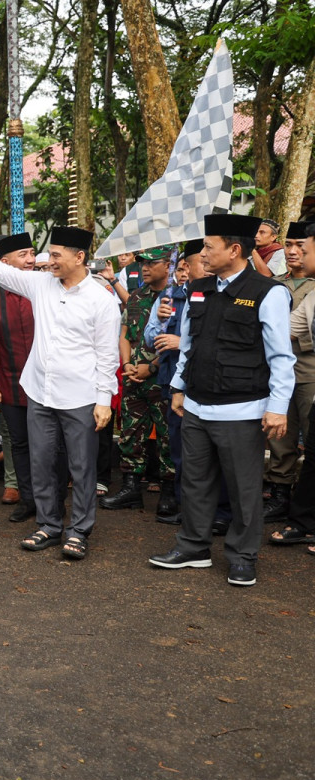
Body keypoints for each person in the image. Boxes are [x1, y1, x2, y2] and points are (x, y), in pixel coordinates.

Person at [0, 219, 120, 560]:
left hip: (80, 398)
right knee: (40, 462)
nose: (48, 261)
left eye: (55, 255)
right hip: (39, 392)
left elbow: (106, 356)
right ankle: (50, 525)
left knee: (81, 467)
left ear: (79, 257)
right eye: (48, 255)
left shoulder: (102, 300)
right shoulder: (41, 285)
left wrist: (103, 401)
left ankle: (79, 530)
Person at [149, 214, 295, 587]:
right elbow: (189, 345)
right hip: (196, 405)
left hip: (242, 408)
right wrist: (179, 388)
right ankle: (193, 547)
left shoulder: (269, 292)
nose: (202, 253)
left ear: (234, 250)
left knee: (244, 488)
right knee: (195, 482)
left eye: (208, 246)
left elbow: (281, 356)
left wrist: (277, 407)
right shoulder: (198, 288)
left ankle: (243, 556)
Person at [100, 247, 176, 517]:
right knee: (131, 434)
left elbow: (179, 340)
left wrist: (150, 367)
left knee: (167, 436)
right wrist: (128, 364)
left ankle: (169, 492)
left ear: (168, 265)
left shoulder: (177, 296)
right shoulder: (137, 297)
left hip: (162, 380)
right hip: (134, 377)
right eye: (141, 263)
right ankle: (131, 489)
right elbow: (124, 334)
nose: (144, 268)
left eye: (151, 263)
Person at [0, 232, 38, 523]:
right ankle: (27, 500)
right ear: (4, 262)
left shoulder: (46, 288)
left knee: (52, 445)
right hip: (10, 382)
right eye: (23, 254)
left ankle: (52, 502)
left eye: (32, 253)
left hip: (48, 383)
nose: (31, 260)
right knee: (19, 444)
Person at [262, 221, 315, 521]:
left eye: (300, 246)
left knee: (312, 434)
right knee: (280, 434)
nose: (293, 251)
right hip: (279, 372)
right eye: (289, 245)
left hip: (310, 370)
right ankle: (280, 494)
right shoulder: (275, 284)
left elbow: (292, 331)